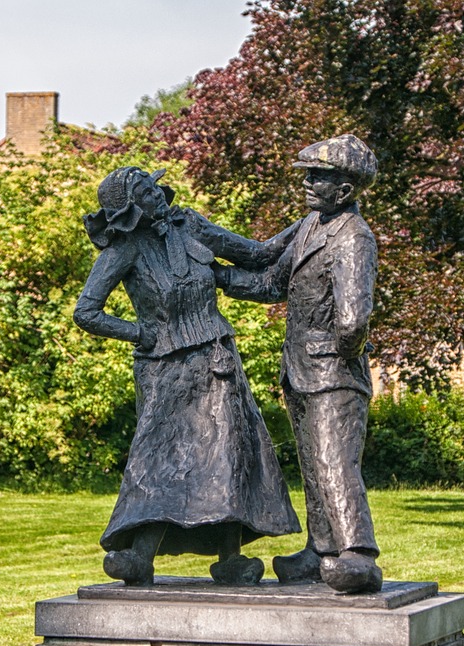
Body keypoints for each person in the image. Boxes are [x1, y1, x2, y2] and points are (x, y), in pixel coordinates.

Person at [73, 166, 300, 587]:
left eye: (154, 186)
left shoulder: (189, 224)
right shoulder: (125, 250)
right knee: (158, 458)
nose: (157, 195)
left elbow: (258, 255)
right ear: (129, 209)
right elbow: (86, 312)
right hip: (162, 370)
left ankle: (231, 556)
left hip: (215, 360)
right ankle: (140, 554)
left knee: (227, 452)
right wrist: (139, 332)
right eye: (144, 192)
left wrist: (309, 224)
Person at [205, 135, 383, 594]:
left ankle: (357, 555)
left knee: (335, 461)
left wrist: (338, 353)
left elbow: (355, 318)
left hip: (333, 372)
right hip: (302, 368)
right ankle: (320, 548)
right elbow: (266, 270)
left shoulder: (353, 238)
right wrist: (210, 262)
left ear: (344, 189)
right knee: (312, 461)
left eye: (317, 175)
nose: (306, 182)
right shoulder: (310, 225)